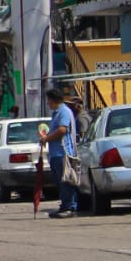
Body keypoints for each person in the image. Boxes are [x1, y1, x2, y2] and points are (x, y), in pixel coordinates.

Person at [40, 87, 78, 219]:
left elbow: (62, 130)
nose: (48, 103)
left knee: (66, 180)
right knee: (59, 182)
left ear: (53, 100)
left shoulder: (64, 112)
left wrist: (47, 138)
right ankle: (64, 206)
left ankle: (70, 207)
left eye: (49, 100)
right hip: (55, 153)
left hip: (63, 152)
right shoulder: (56, 113)